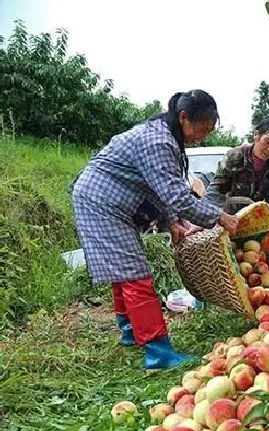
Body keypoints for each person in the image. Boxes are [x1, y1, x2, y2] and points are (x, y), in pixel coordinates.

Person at [72, 90, 239, 370]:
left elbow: (161, 188)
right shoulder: (158, 141)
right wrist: (219, 216)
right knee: (135, 276)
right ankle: (158, 352)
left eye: (209, 131)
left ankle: (130, 332)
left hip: (111, 201)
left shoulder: (168, 137)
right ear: (184, 118)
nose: (204, 135)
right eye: (202, 128)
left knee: (123, 272)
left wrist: (172, 221)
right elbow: (176, 196)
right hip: (102, 202)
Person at [206, 118, 269, 240]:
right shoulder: (234, 158)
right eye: (268, 142)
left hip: (265, 231)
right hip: (231, 228)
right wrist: (208, 217)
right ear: (256, 135)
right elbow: (216, 191)